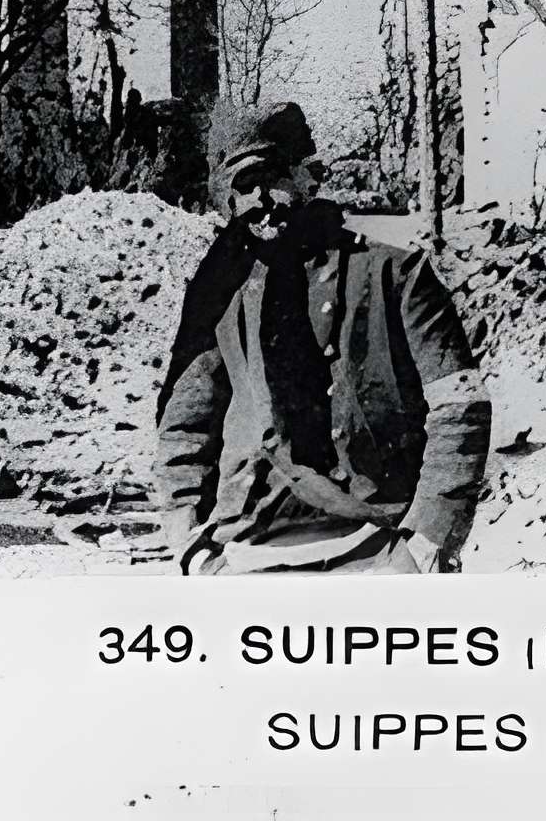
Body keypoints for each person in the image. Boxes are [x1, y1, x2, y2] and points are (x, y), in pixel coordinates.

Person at [156, 102, 489, 575]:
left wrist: (429, 540)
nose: (256, 202)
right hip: (245, 552)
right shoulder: (224, 293)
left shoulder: (395, 274)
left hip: (378, 546)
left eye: (266, 179)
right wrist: (187, 538)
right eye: (239, 190)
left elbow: (461, 406)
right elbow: (187, 424)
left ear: (308, 177)